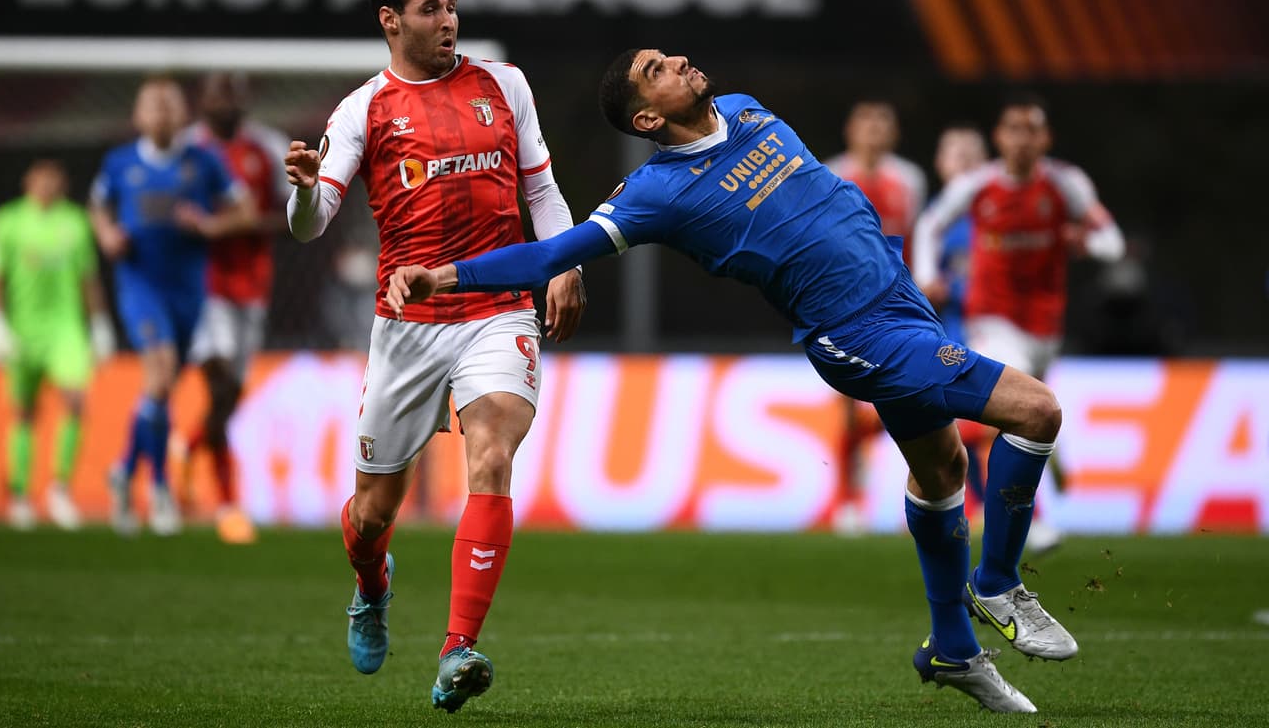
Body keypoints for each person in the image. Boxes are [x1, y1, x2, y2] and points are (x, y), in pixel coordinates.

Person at [387, 49, 1079, 713]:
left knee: (941, 468)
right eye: (656, 70)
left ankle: (953, 648)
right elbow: (547, 255)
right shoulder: (655, 193)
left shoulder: (746, 109)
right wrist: (442, 276)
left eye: (669, 55)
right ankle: (997, 582)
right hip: (857, 331)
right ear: (647, 120)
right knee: (1037, 411)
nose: (679, 62)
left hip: (902, 301)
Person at [283, 0, 585, 713]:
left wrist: (566, 262)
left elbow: (540, 187)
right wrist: (300, 187)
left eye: (452, 6)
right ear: (390, 20)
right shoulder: (365, 109)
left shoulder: (504, 84)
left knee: (491, 457)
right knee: (371, 517)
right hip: (409, 326)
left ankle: (458, 648)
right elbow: (312, 222)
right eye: (430, 9)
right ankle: (370, 583)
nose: (448, 20)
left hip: (498, 307)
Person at [913, 96, 1125, 556]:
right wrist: (927, 275)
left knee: (1032, 412)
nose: (1022, 138)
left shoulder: (1066, 184)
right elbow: (930, 223)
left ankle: (1054, 451)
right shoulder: (978, 185)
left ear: (1045, 139)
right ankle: (1032, 520)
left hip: (1044, 323)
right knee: (1006, 416)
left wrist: (1085, 241)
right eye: (1013, 129)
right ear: (1000, 137)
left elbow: (1111, 240)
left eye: (1032, 130)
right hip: (991, 318)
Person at [91, 75, 254, 537]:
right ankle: (159, 488)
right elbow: (98, 207)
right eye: (153, 106)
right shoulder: (120, 163)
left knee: (159, 390)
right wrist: (107, 236)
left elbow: (242, 211)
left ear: (183, 115)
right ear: (138, 116)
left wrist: (207, 225)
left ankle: (124, 470)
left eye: (169, 106)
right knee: (160, 376)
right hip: (140, 286)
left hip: (190, 292)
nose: (161, 113)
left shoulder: (203, 162)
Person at [181, 71, 290, 544]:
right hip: (202, 286)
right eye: (216, 95)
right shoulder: (186, 150)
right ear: (202, 102)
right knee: (221, 380)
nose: (224, 104)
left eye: (233, 96)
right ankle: (228, 504)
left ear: (245, 103)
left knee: (227, 398)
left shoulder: (267, 148)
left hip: (252, 285)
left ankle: (185, 446)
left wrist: (234, 225)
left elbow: (298, 215)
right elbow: (173, 214)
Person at [0, 159, 116, 530]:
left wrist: (99, 322)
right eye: (40, 179)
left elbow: (88, 277)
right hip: (23, 329)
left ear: (61, 184)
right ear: (28, 182)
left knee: (76, 401)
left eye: (54, 180)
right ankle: (20, 495)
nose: (46, 185)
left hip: (66, 329)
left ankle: (60, 490)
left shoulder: (74, 222)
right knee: (24, 411)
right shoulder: (7, 221)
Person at [823, 101, 927, 533]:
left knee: (912, 402)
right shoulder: (828, 173)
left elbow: (917, 238)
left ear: (894, 133)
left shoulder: (909, 180)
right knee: (849, 407)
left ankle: (921, 498)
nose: (874, 131)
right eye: (866, 122)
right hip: (844, 302)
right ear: (850, 129)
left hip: (899, 302)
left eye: (883, 123)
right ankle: (849, 499)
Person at [922, 126, 990, 510]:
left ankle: (1002, 508)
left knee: (996, 424)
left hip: (992, 329)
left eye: (972, 154)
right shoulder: (933, 221)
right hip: (948, 332)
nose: (964, 162)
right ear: (940, 163)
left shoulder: (993, 212)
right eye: (955, 153)